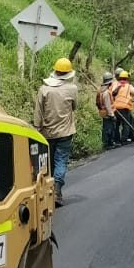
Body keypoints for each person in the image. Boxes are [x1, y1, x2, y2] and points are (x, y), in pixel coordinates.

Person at [34, 57, 78, 206]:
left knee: (48, 163)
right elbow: (74, 107)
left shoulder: (44, 89)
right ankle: (57, 191)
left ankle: (49, 193)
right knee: (61, 161)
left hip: (47, 133)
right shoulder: (72, 89)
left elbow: (38, 113)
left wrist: (36, 129)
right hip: (65, 133)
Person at [110, 70, 134, 143]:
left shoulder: (115, 85)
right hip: (124, 108)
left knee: (116, 125)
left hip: (115, 108)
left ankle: (117, 140)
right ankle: (124, 140)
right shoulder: (128, 86)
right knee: (126, 124)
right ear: (127, 78)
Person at [95, 72, 118, 149]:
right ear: (110, 82)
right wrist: (112, 115)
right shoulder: (106, 93)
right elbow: (108, 105)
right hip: (108, 113)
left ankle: (107, 143)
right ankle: (108, 144)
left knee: (106, 128)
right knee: (109, 129)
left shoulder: (100, 90)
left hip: (102, 112)